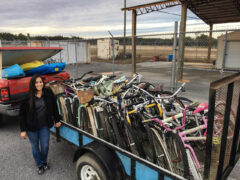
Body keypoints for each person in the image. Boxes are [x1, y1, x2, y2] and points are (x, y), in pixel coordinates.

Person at [20, 74, 62, 175]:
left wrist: (57, 120)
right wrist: (23, 130)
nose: (39, 84)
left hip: (44, 126)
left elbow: (55, 107)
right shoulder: (27, 97)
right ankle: (39, 165)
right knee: (35, 147)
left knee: (45, 146)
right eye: (36, 82)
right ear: (32, 84)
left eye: (40, 82)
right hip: (31, 128)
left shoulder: (48, 92)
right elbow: (22, 114)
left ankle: (44, 162)